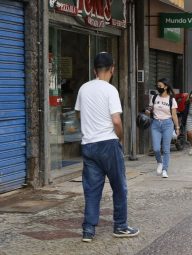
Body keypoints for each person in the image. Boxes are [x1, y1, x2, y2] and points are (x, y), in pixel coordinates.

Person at [75, 52, 139, 242]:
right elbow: (116, 120)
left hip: (88, 145)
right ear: (112, 69)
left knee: (92, 189)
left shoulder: (83, 89)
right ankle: (120, 226)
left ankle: (88, 230)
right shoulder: (111, 90)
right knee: (119, 186)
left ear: (94, 70)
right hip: (108, 144)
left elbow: (79, 114)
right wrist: (120, 139)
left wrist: (89, 126)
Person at [148, 78, 180, 178]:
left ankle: (165, 170)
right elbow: (150, 109)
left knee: (166, 149)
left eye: (160, 86)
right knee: (156, 148)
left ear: (165, 87)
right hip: (155, 124)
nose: (158, 87)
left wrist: (177, 127)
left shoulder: (171, 100)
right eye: (157, 86)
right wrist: (147, 111)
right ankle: (159, 162)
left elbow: (174, 115)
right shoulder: (154, 97)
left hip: (167, 124)